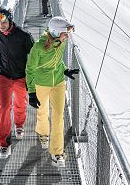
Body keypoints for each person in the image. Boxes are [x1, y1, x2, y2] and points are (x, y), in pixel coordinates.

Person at [0, 7, 34, 159]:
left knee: (20, 104)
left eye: (3, 21)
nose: (1, 25)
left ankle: (19, 124)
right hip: (4, 76)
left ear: (9, 19)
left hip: (21, 77)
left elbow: (35, 54)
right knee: (3, 108)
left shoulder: (24, 36)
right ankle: (4, 143)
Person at [26, 16, 79, 168]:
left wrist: (65, 70)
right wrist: (31, 92)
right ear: (56, 32)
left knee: (58, 117)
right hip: (41, 83)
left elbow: (58, 60)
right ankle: (43, 134)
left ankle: (57, 153)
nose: (67, 35)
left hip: (58, 83)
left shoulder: (62, 41)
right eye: (65, 32)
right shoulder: (38, 47)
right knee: (42, 112)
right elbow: (30, 69)